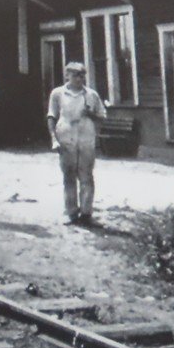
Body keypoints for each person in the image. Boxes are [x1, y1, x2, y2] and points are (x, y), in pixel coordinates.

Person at [46, 62, 107, 226]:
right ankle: (72, 213)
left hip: (86, 137)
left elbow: (102, 116)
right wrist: (53, 138)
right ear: (67, 76)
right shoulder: (58, 93)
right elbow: (51, 115)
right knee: (69, 176)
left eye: (82, 75)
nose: (79, 78)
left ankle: (86, 214)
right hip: (66, 137)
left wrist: (91, 113)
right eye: (75, 75)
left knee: (86, 175)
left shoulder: (91, 95)